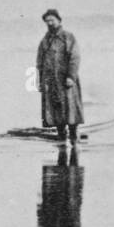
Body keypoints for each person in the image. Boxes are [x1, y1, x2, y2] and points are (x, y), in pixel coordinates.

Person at [37, 8, 84, 144]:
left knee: (70, 108)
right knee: (55, 108)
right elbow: (39, 62)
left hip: (66, 79)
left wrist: (71, 76)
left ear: (59, 20)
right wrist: (40, 81)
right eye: (47, 21)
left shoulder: (68, 37)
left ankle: (74, 137)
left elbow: (75, 57)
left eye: (52, 20)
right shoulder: (45, 40)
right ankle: (61, 136)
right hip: (50, 81)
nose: (50, 23)